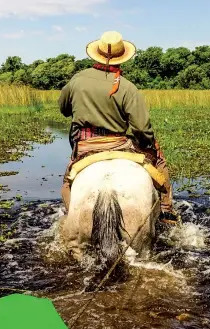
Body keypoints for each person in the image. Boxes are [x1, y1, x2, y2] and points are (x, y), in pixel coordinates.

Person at [58, 31, 178, 225]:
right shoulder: (127, 87)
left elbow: (64, 109)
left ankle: (71, 218)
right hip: (119, 142)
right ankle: (166, 211)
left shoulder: (76, 80)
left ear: (96, 53)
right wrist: (148, 144)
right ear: (122, 57)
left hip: (86, 145)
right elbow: (141, 127)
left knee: (67, 183)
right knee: (160, 160)